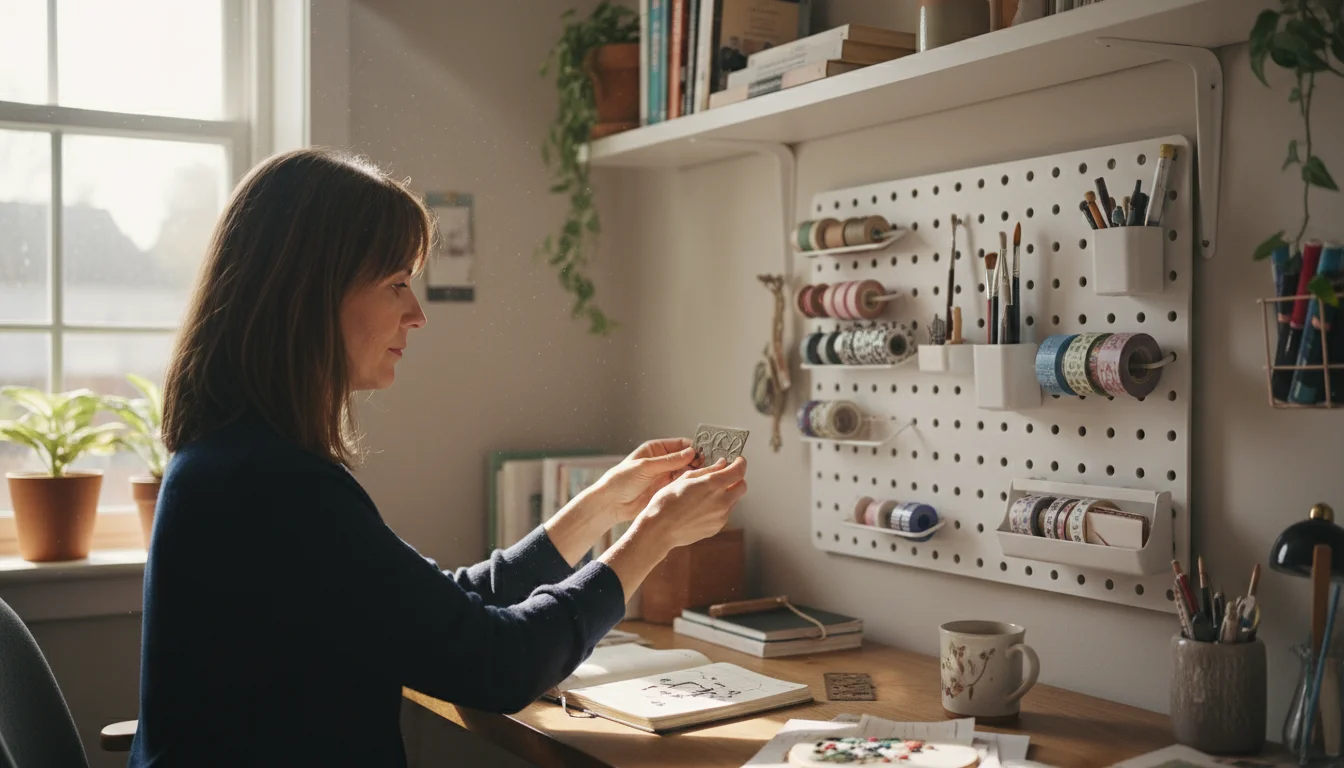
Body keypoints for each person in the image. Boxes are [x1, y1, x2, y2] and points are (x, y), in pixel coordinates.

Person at [127, 148, 748, 767]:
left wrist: (597, 507)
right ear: (311, 293)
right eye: (397, 283)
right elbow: (502, 664)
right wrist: (654, 535)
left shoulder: (237, 460)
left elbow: (438, 609)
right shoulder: (277, 487)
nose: (417, 314)